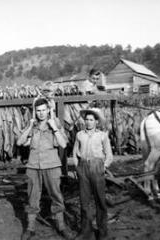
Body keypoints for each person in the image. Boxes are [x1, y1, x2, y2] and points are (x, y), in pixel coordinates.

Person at [17, 97, 75, 240]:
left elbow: (63, 144)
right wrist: (30, 127)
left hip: (52, 165)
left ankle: (61, 226)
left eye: (44, 110)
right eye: (38, 111)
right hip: (33, 166)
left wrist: (54, 127)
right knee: (32, 196)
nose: (41, 113)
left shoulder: (55, 124)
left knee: (56, 195)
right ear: (35, 112)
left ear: (48, 110)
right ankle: (30, 228)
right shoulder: (33, 126)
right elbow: (20, 142)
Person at [72, 108, 113, 240]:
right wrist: (77, 167)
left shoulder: (102, 135)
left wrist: (103, 167)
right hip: (83, 167)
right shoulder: (79, 135)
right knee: (84, 202)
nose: (88, 122)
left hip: (97, 167)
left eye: (91, 120)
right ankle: (86, 231)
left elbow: (109, 155)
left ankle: (102, 231)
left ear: (96, 122)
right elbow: (75, 153)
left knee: (100, 201)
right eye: (86, 120)